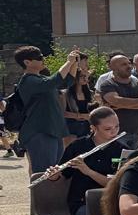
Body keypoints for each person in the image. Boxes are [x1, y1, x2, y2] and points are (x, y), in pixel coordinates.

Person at [45, 105, 123, 215]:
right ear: (93, 128)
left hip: (111, 203)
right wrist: (54, 176)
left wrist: (89, 172)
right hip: (82, 203)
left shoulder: (122, 150)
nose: (114, 131)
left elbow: (116, 184)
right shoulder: (77, 147)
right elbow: (63, 176)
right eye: (107, 129)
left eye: (117, 126)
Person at [13, 45, 84, 174]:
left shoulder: (41, 79)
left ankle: (50, 194)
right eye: (39, 57)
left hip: (52, 130)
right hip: (40, 131)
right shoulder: (28, 81)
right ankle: (41, 195)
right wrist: (68, 61)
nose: (43, 59)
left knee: (55, 172)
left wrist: (74, 63)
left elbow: (66, 82)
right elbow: (54, 81)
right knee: (44, 173)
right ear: (27, 62)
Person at [95, 53, 138, 139]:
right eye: (124, 64)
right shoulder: (107, 84)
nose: (129, 66)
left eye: (129, 63)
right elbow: (116, 101)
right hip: (115, 136)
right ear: (113, 68)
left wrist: (123, 104)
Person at [64, 66, 95, 139]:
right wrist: (82, 116)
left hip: (87, 128)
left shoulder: (90, 93)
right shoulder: (65, 94)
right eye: (82, 76)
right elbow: (63, 113)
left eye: (86, 76)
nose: (85, 78)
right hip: (71, 128)